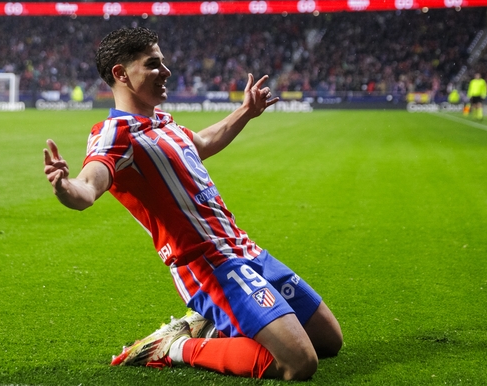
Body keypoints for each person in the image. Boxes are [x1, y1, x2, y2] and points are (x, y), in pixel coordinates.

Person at [43, 27, 342, 380]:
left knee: (328, 340)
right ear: (121, 74)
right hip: (208, 266)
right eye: (153, 65)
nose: (166, 72)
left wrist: (245, 111)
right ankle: (173, 347)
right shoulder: (114, 134)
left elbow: (201, 142)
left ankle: (211, 323)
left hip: (244, 249)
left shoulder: (163, 123)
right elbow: (88, 188)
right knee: (299, 363)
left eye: (164, 62)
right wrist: (64, 185)